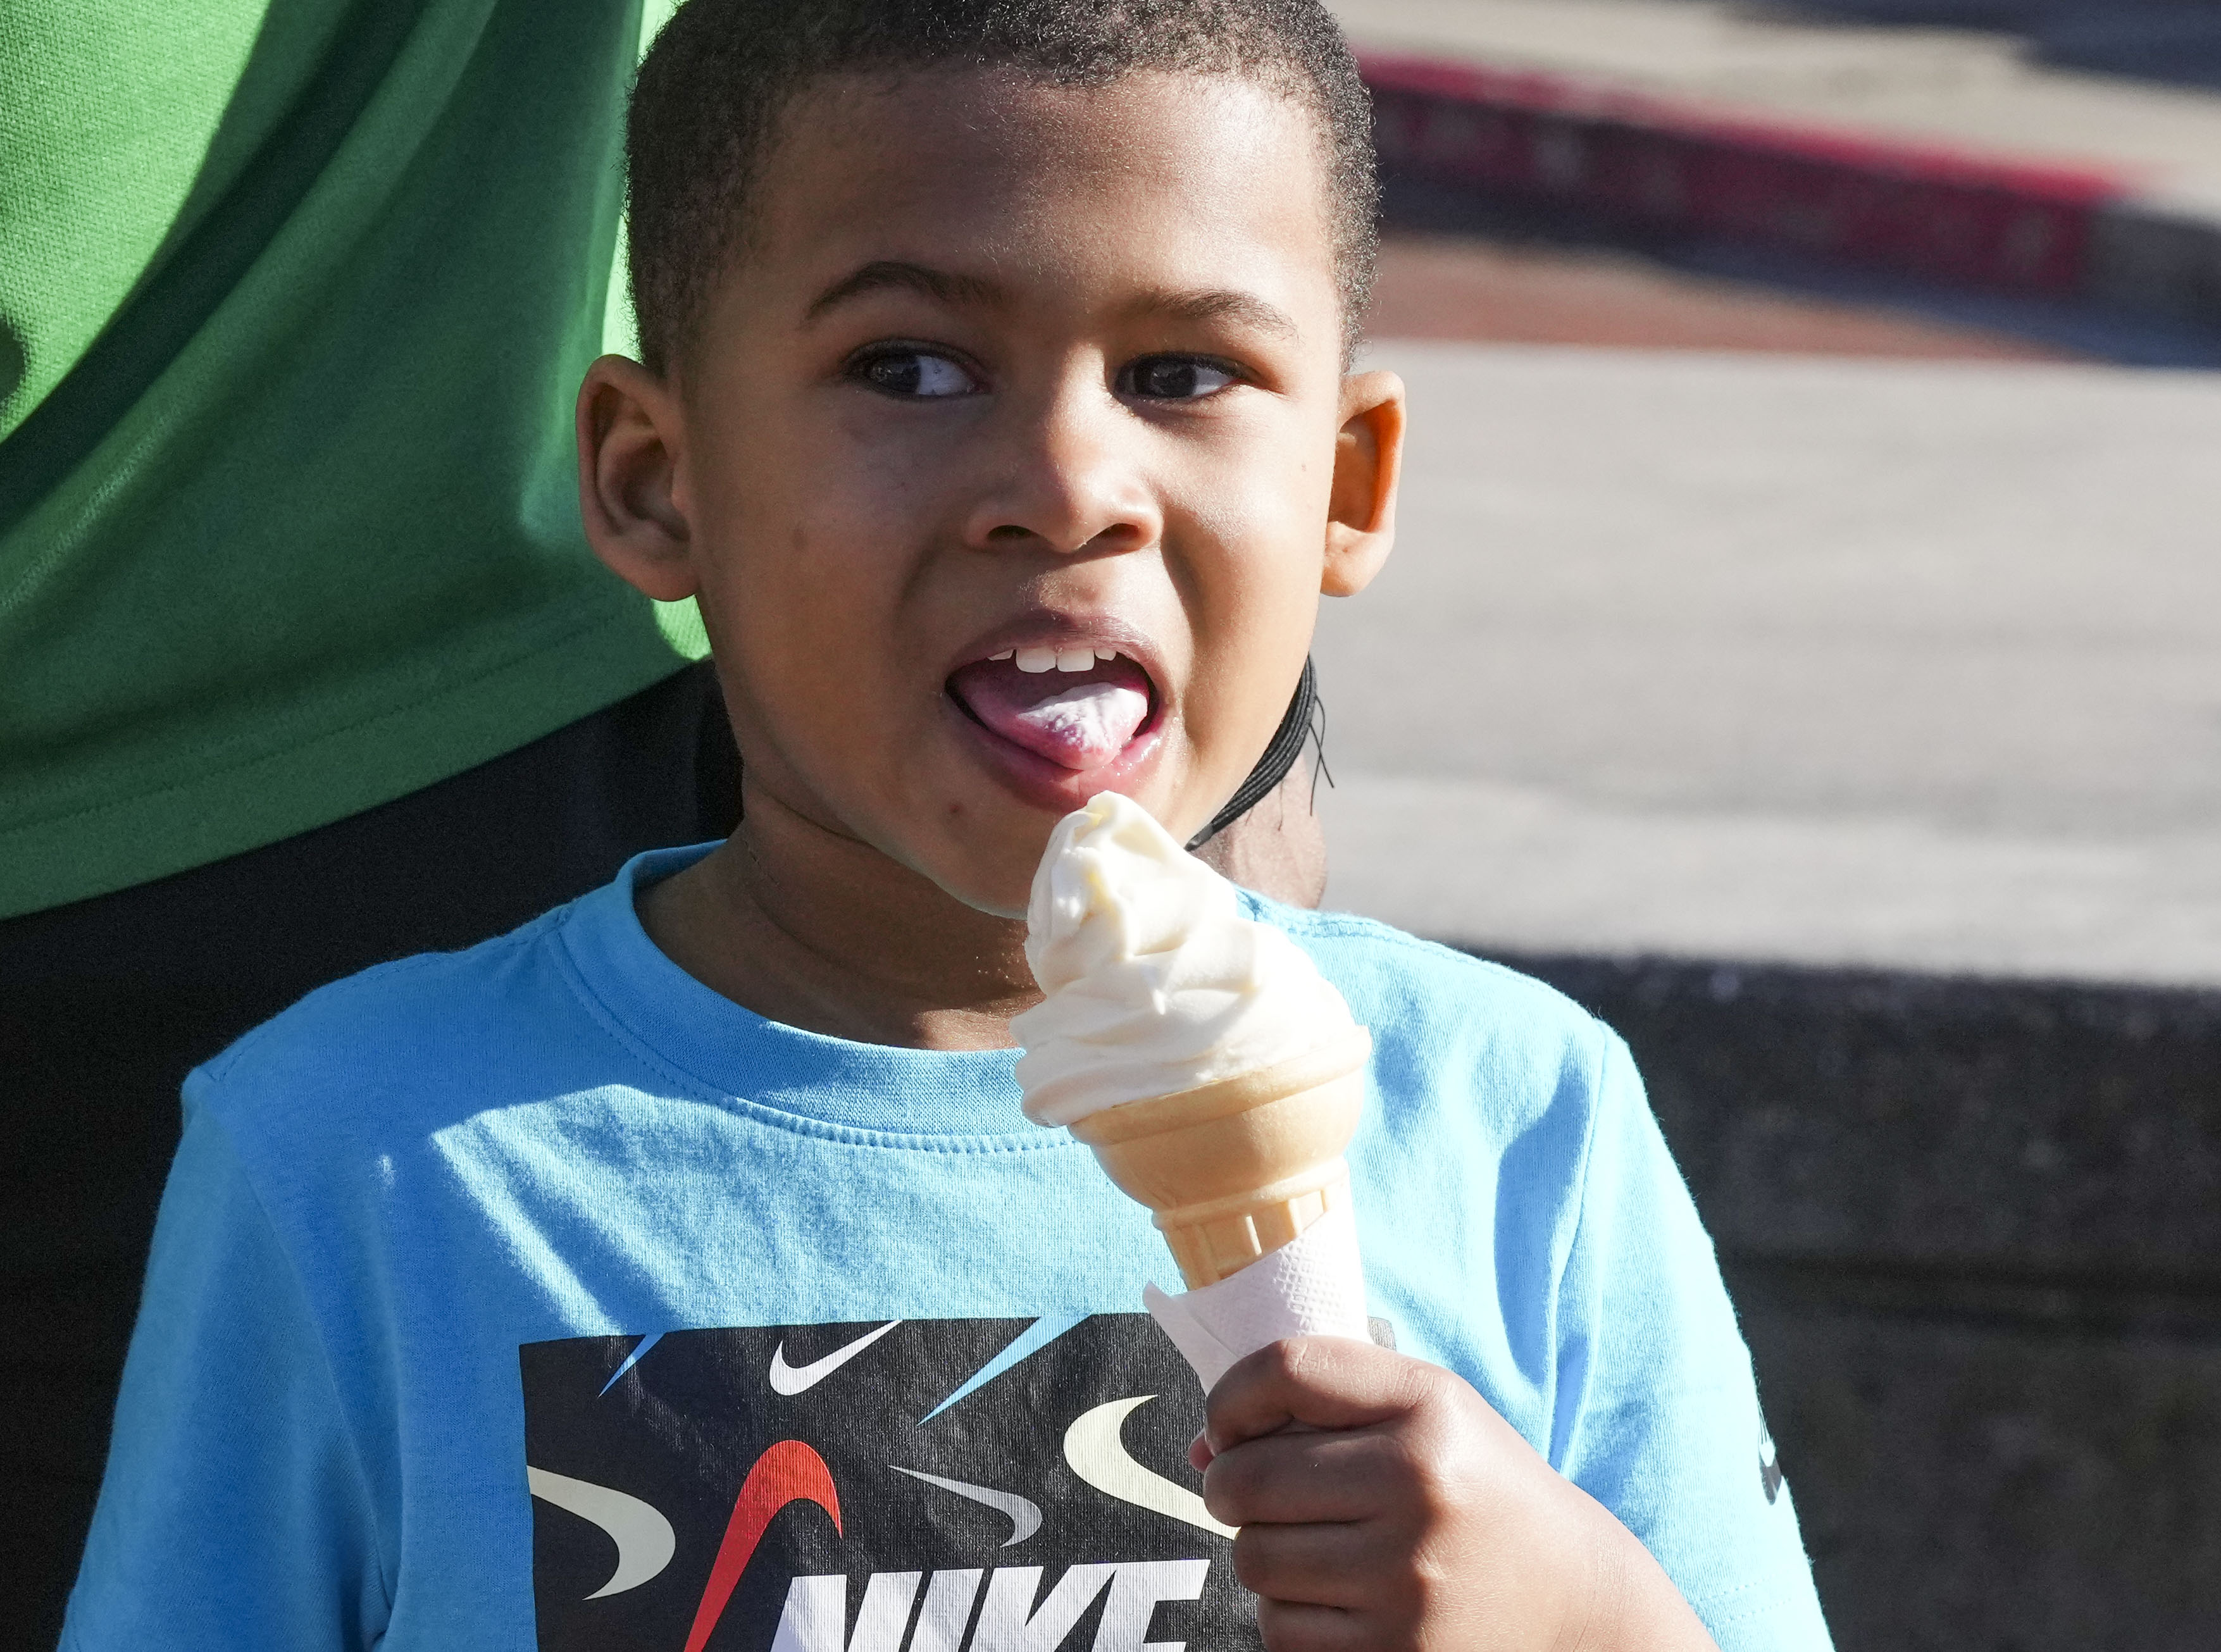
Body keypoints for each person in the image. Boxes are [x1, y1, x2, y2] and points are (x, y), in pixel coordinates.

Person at [59, 1, 1831, 1648]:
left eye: (1185, 374)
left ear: (1349, 485)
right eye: (910, 371)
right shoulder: (351, 1153)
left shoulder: (1514, 1114)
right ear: (651, 481)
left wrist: (1586, 1615)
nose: (1067, 485)